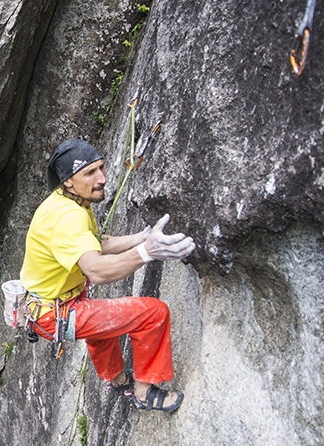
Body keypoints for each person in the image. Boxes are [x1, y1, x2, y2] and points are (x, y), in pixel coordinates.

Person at [19, 138, 195, 412]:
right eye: (90, 173)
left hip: (49, 307)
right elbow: (96, 270)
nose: (101, 178)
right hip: (56, 312)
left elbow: (92, 244)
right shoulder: (68, 217)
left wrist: (141, 238)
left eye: (101, 168)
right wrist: (147, 252)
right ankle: (144, 393)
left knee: (102, 328)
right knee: (153, 313)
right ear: (68, 181)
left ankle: (116, 379)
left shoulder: (68, 202)